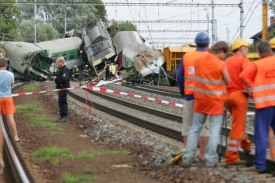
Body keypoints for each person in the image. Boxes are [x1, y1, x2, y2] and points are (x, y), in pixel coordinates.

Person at [182, 41, 231, 167]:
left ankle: (187, 158)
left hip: (200, 101)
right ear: (221, 51)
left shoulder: (199, 61)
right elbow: (228, 81)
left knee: (194, 129)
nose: (225, 57)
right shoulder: (220, 64)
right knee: (214, 131)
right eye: (225, 54)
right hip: (215, 102)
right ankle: (210, 160)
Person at [239, 41, 275, 173]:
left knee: (261, 135)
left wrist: (251, 87)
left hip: (264, 104)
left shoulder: (257, 65)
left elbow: (243, 76)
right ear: (270, 51)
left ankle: (260, 165)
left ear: (259, 53)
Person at [176, 32, 210, 161]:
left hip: (190, 96)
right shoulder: (210, 57)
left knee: (188, 126)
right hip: (205, 98)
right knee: (204, 127)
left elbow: (179, 77)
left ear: (195, 44)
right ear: (207, 44)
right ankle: (202, 155)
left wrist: (183, 93)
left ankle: (188, 155)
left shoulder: (187, 57)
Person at [224, 39, 251, 165]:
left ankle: (246, 145)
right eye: (246, 48)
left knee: (238, 124)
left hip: (227, 96)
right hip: (239, 96)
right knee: (237, 126)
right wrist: (250, 90)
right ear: (241, 49)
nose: (247, 50)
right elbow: (249, 76)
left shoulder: (228, 61)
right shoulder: (244, 61)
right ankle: (231, 157)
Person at [53, 57, 70, 122]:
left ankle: (64, 117)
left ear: (61, 62)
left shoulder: (65, 69)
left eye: (58, 62)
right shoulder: (62, 69)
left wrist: (56, 78)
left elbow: (64, 79)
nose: (57, 64)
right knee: (61, 102)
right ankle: (62, 116)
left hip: (63, 87)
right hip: (61, 88)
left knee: (62, 102)